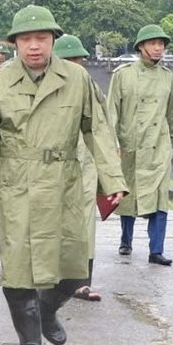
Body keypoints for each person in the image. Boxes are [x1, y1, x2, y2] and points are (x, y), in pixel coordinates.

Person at [0, 6, 126, 345]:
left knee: (74, 269)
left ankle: (47, 309)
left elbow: (97, 129)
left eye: (41, 39)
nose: (34, 46)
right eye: (26, 39)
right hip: (17, 183)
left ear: (53, 41)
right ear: (15, 43)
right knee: (19, 270)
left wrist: (113, 180)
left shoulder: (76, 79)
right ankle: (30, 343)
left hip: (64, 181)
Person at [108, 24, 173, 265]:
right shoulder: (123, 74)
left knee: (159, 198)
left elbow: (171, 116)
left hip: (158, 147)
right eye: (153, 44)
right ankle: (126, 240)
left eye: (161, 44)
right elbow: (112, 112)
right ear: (141, 47)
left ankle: (156, 250)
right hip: (129, 145)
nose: (158, 48)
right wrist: (114, 143)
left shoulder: (168, 77)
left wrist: (172, 146)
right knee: (128, 194)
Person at [55, 34, 104, 303]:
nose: (76, 65)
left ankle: (82, 282)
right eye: (70, 61)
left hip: (85, 163)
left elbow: (102, 124)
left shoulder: (91, 87)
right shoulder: (47, 88)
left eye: (79, 60)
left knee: (85, 223)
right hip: (53, 164)